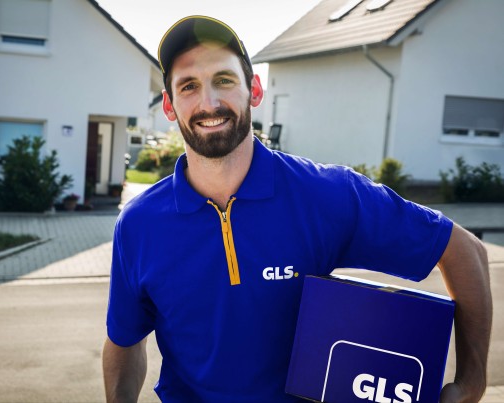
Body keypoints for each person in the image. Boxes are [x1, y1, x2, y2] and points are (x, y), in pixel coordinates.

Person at [102, 15, 492, 403]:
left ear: (254, 89)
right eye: (189, 86)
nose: (209, 103)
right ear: (169, 105)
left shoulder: (327, 193)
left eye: (224, 80)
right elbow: (124, 340)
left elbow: (464, 251)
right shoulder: (139, 225)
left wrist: (471, 384)